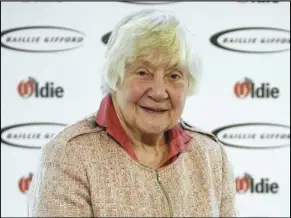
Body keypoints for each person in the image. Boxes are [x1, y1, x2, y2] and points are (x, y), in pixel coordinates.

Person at [28, 9, 237, 217]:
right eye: (142, 73)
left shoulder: (210, 155)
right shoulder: (70, 154)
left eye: (174, 75)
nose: (158, 92)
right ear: (115, 76)